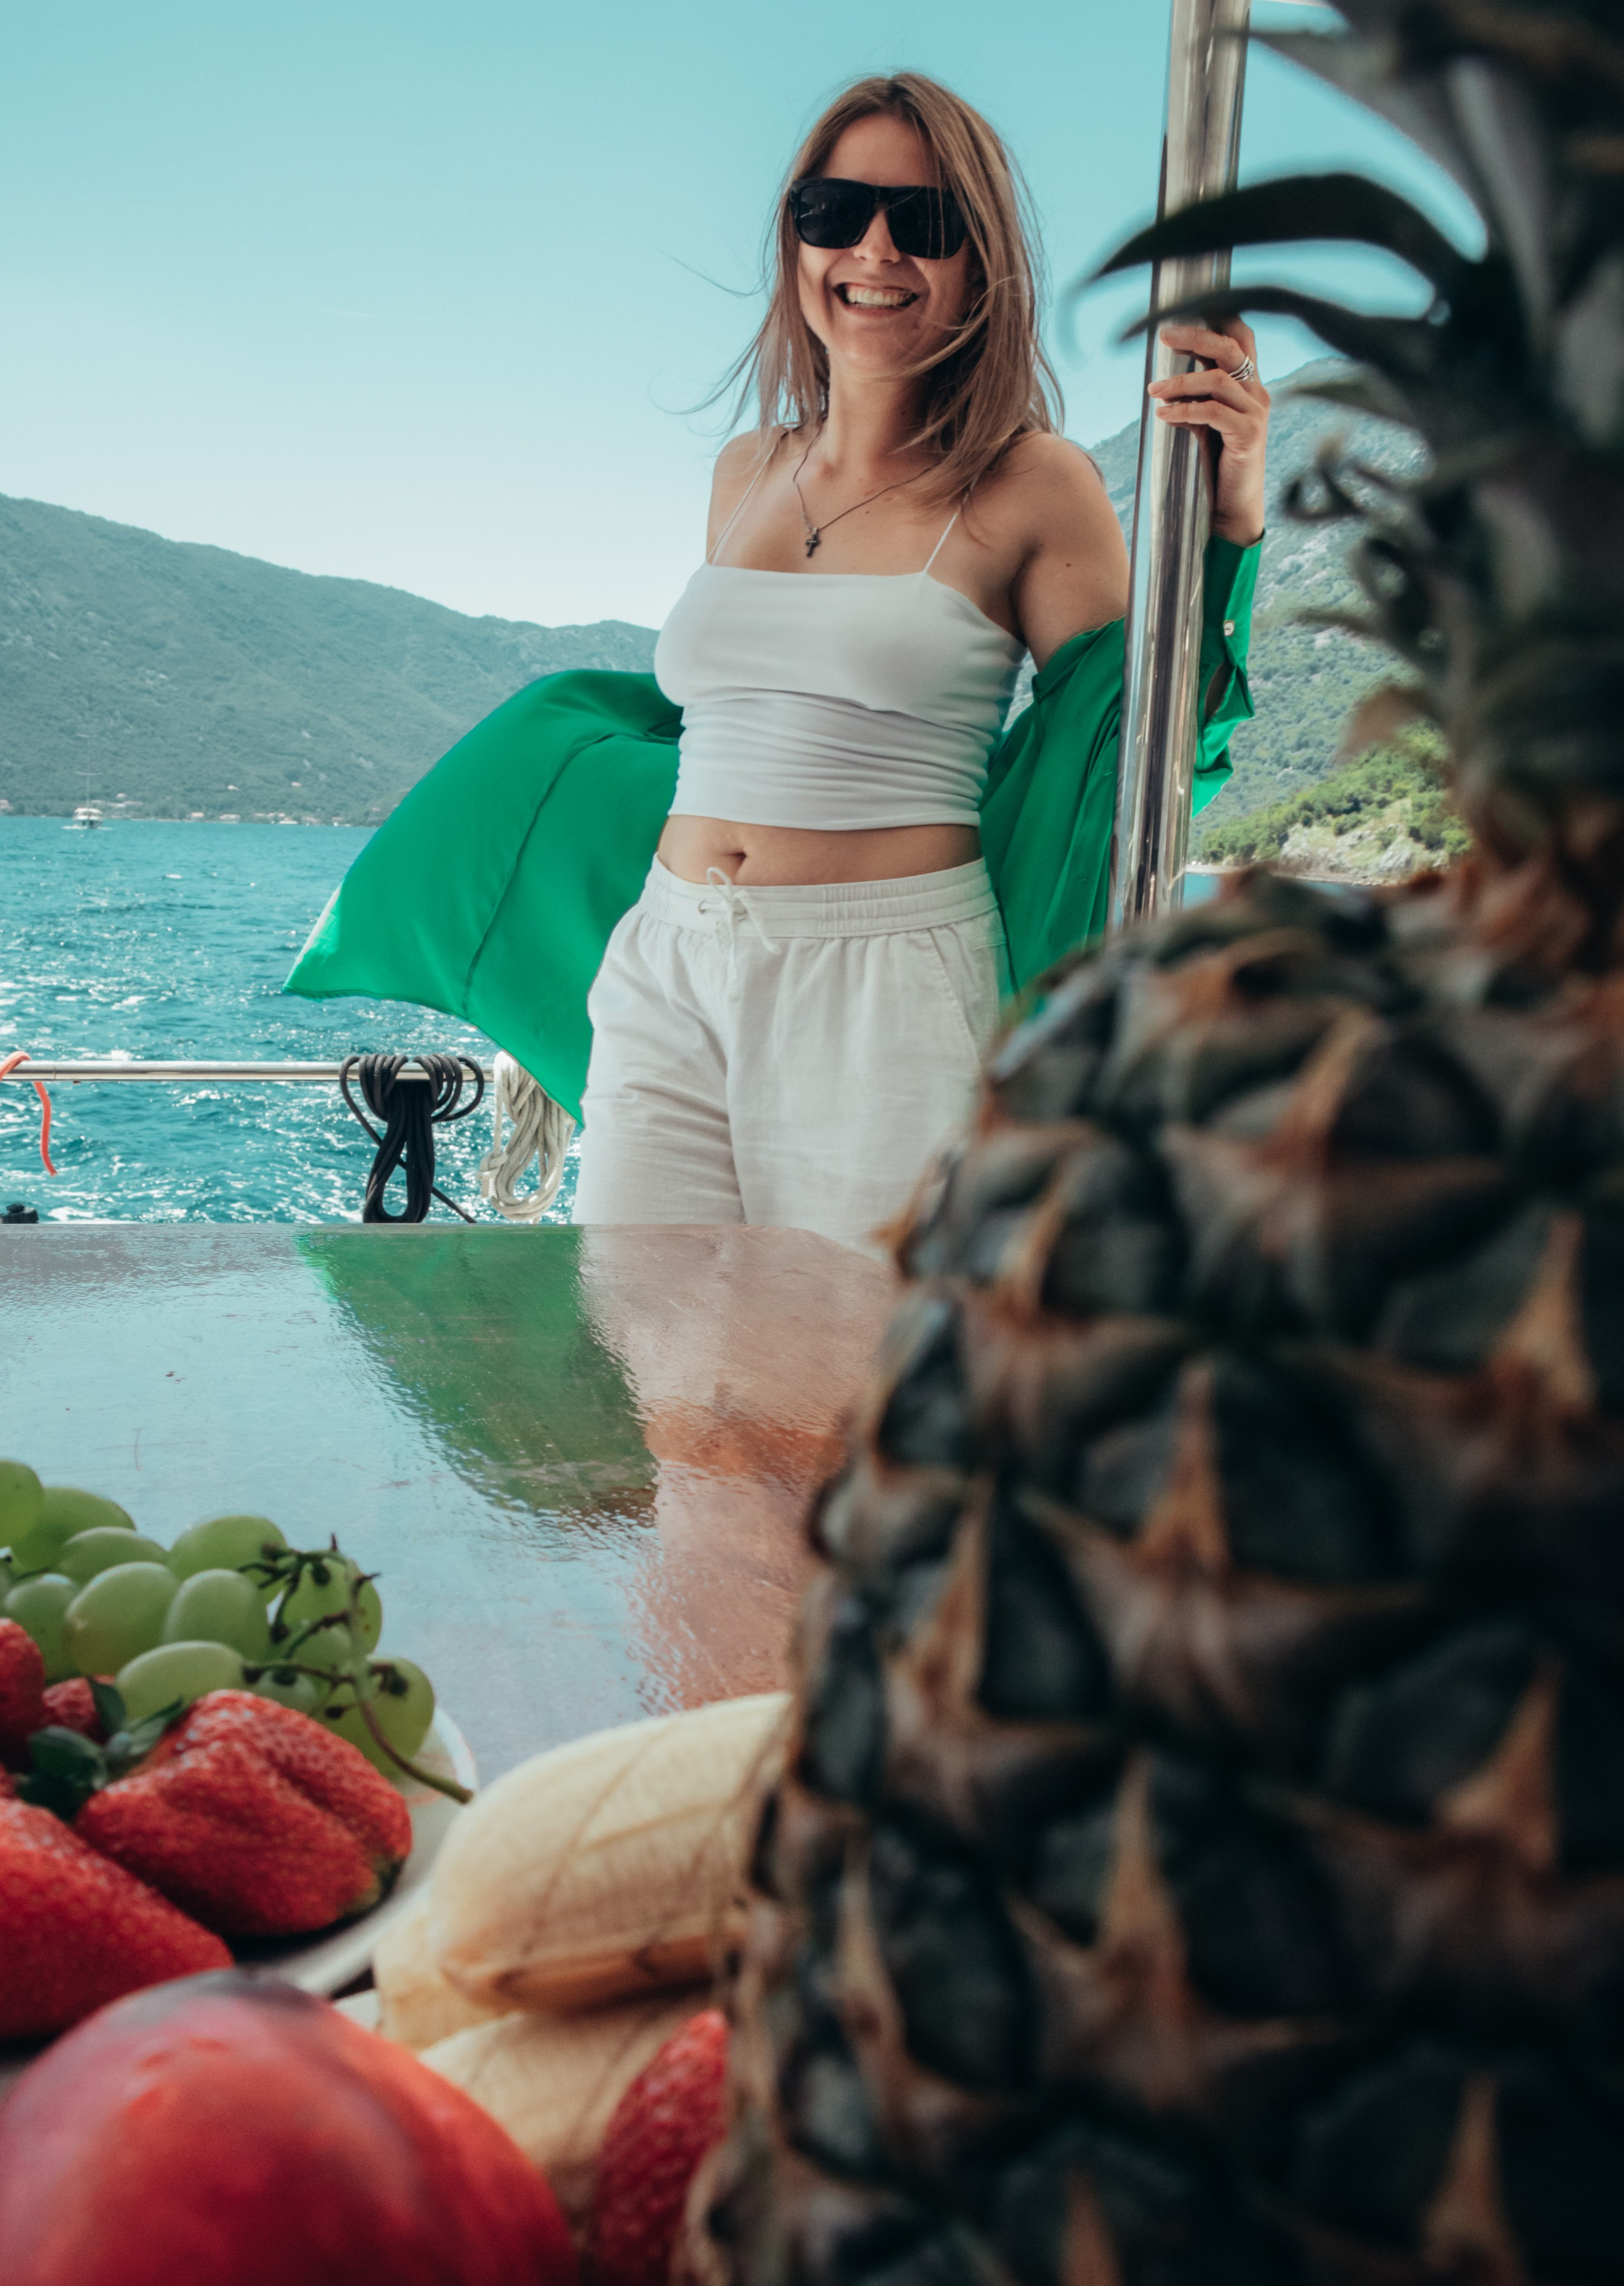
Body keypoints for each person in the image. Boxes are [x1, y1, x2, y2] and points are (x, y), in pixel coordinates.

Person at [567, 71, 1270, 1252]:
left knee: (855, 1390)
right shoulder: (746, 471)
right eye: (833, 212)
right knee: (668, 1383)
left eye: (925, 221)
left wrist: (1234, 514)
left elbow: (1136, 731)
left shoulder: (1033, 482)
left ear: (980, 259)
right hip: (669, 957)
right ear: (797, 238)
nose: (874, 249)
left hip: (883, 978)